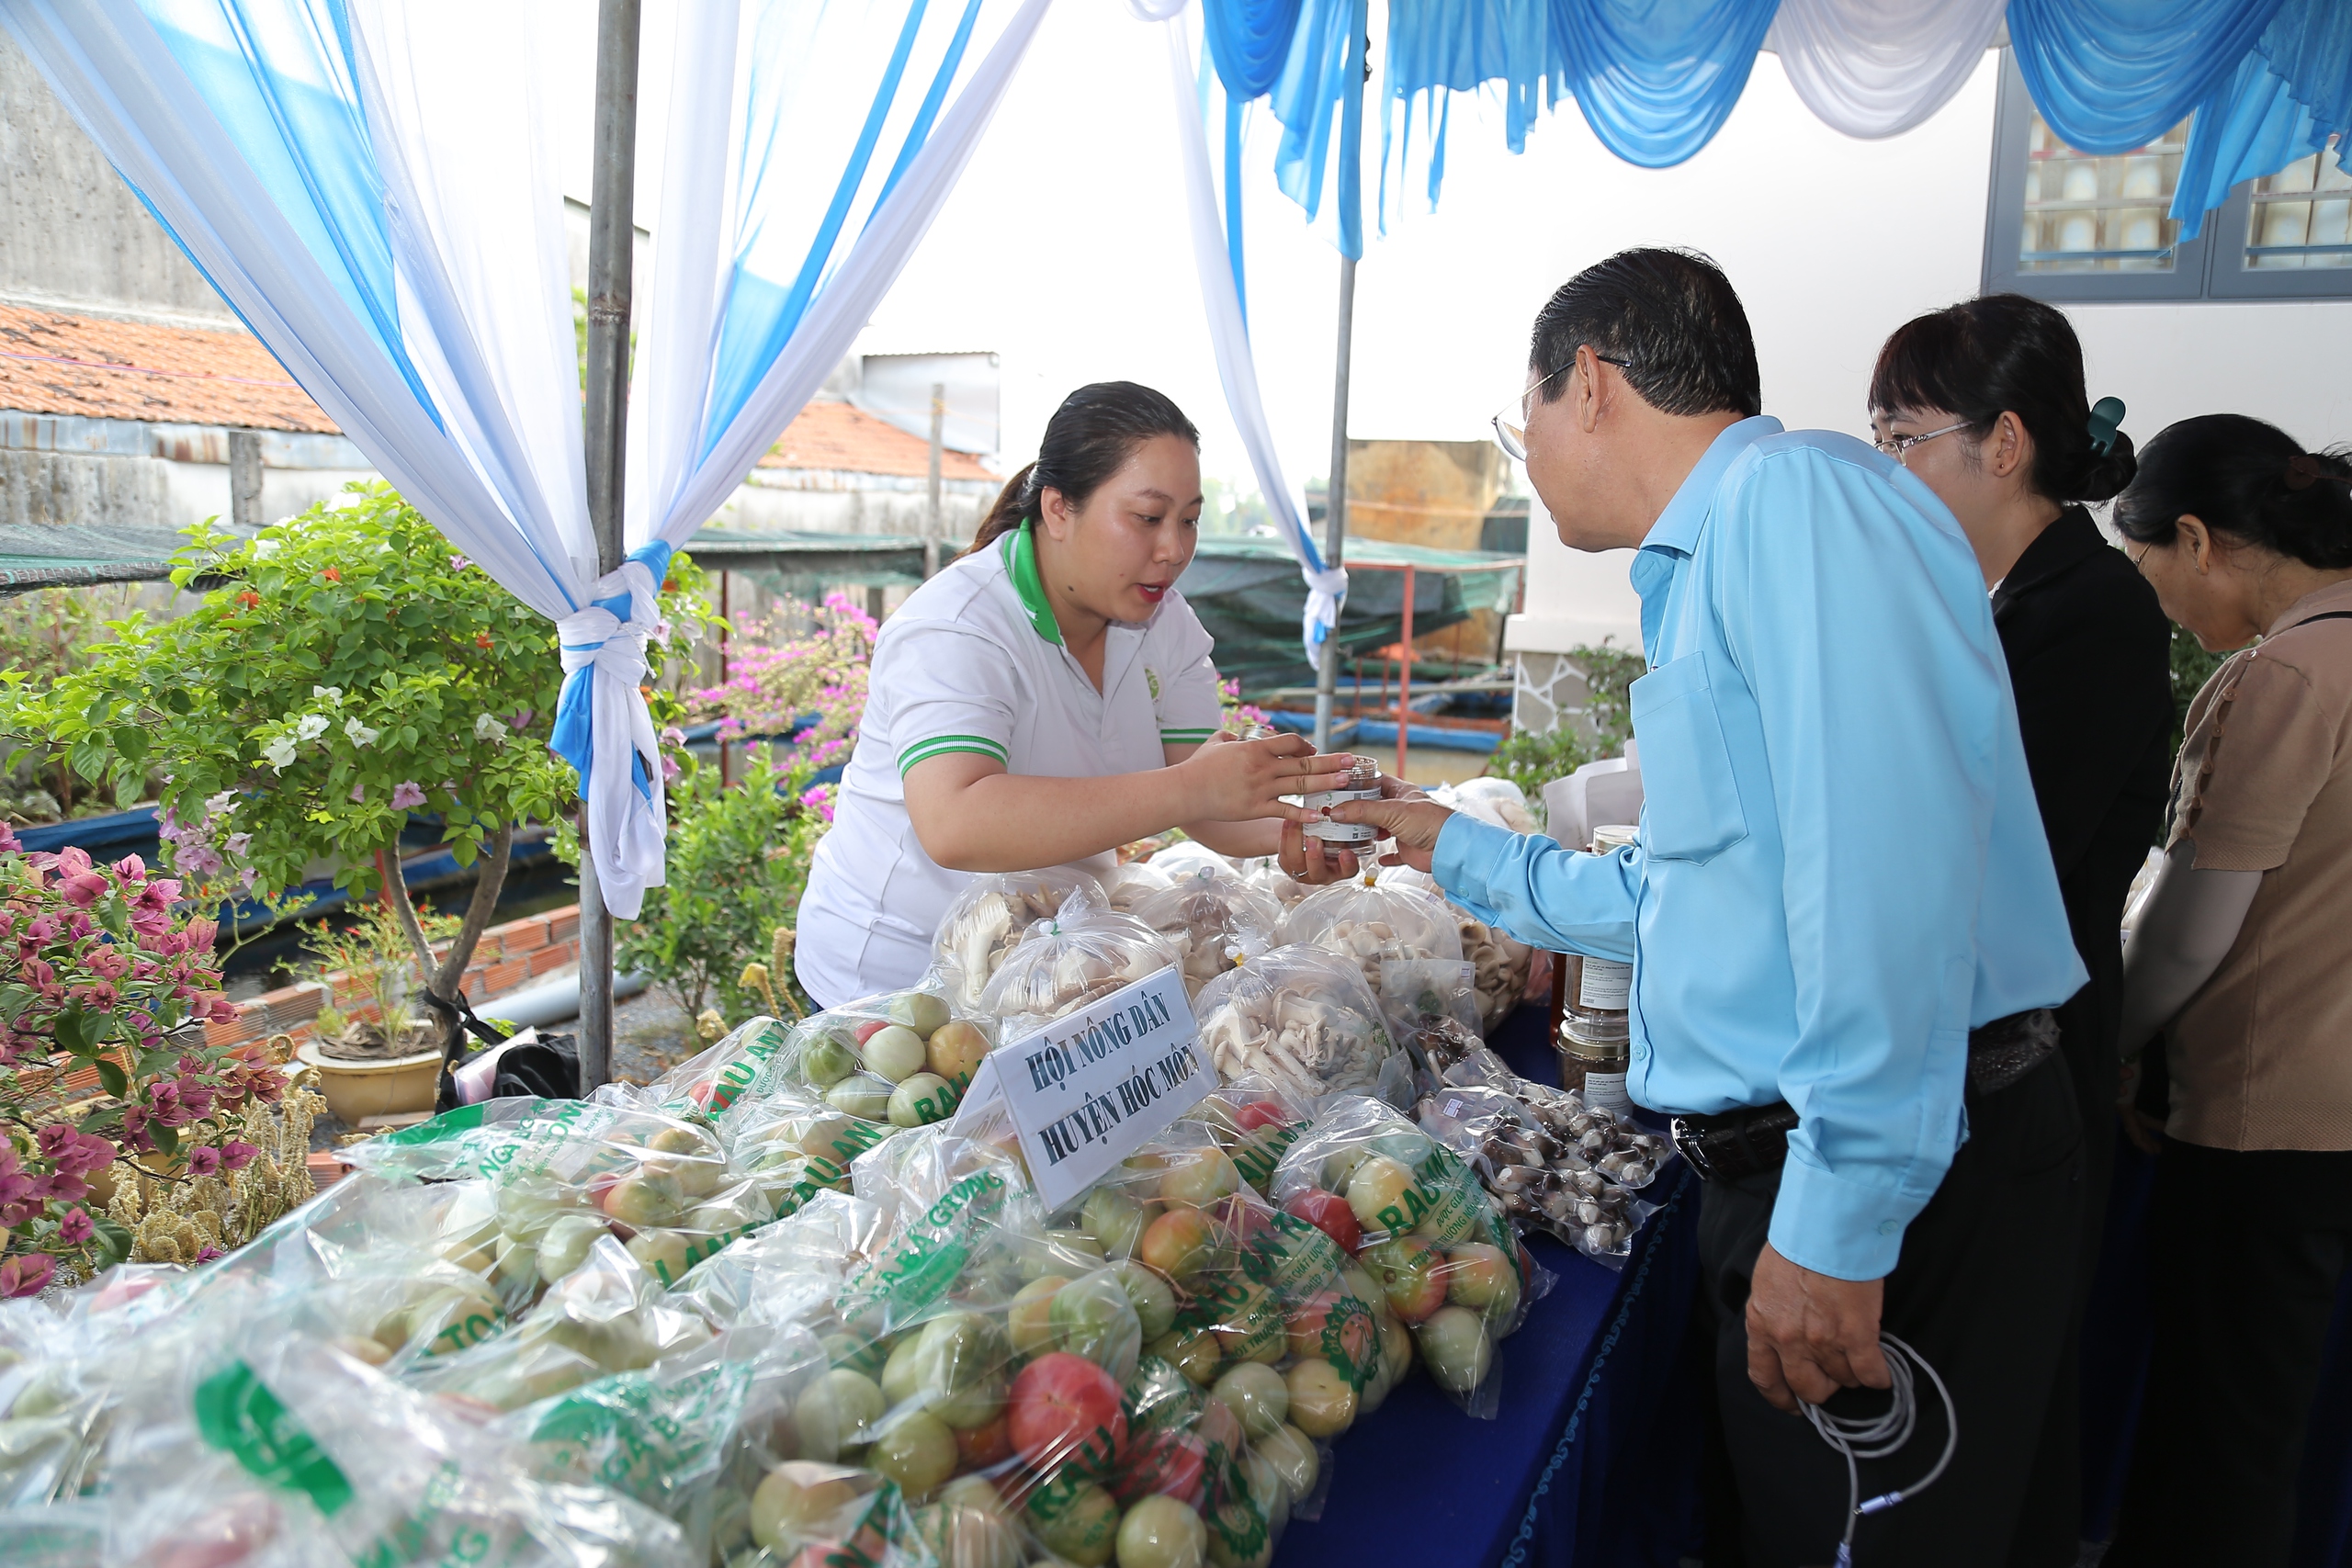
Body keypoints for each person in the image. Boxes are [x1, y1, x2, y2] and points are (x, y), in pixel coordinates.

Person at [1317, 248, 2086, 1566]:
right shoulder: (1722, 551)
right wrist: (1449, 844)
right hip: (1816, 1150)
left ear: (1595, 384)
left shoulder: (1798, 508)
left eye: (1530, 421)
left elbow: (1880, 883)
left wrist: (1838, 1221)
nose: (1531, 456)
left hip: (1890, 1163)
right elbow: (1708, 895)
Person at [1867, 294, 2173, 1563]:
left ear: (2002, 444)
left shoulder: (2089, 611)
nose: (1885, 471)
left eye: (1901, 438)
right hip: (1985, 1049)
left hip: (2030, 1059)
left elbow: (1993, 847)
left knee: (1999, 1417)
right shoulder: (2004, 597)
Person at [795, 381, 1353, 1009]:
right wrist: (1193, 787)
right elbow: (955, 822)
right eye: (1148, 518)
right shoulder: (959, 625)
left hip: (1047, 966)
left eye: (1189, 520)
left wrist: (1330, 819)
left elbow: (1209, 796)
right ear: (1059, 509)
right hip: (900, 977)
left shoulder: (1162, 623)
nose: (1174, 550)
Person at [2099, 417, 2352, 1568]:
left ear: (2196, 540)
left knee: (2220, 1450)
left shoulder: (2287, 676)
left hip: (2266, 1122)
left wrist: (2109, 1045)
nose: (2161, 610)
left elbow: (2195, 931)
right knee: (2289, 1433)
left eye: (2151, 573)